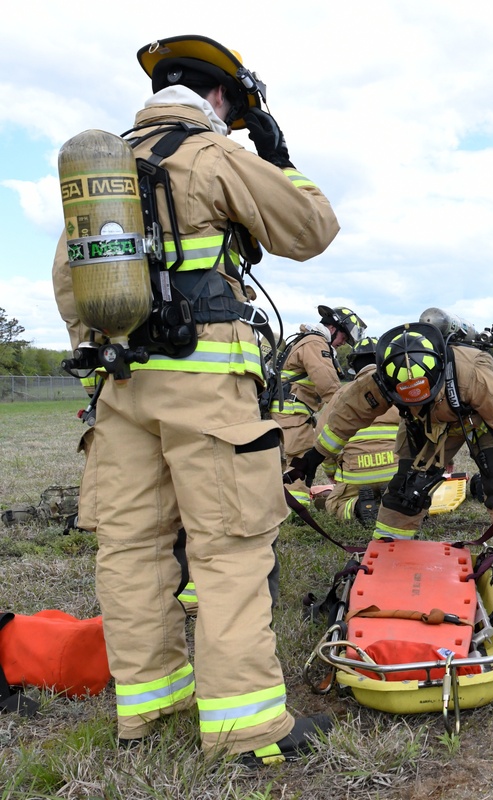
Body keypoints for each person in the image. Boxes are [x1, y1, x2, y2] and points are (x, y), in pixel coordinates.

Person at [51, 34, 339, 764]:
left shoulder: (101, 174)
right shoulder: (212, 155)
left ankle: (146, 712)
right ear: (220, 100)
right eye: (237, 114)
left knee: (132, 551)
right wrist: (276, 155)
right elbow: (312, 229)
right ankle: (244, 731)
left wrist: (104, 379)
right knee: (229, 552)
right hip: (206, 391)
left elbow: (67, 284)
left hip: (120, 393)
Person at [289, 319, 493, 593]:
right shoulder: (382, 378)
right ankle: (386, 554)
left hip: (478, 418)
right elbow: (346, 415)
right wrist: (315, 456)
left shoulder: (472, 371)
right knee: (406, 490)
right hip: (423, 423)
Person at [270, 305, 365, 507]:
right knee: (300, 460)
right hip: (292, 413)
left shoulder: (307, 340)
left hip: (285, 412)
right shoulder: (315, 343)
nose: (343, 343)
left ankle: (279, 505)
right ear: (332, 328)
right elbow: (329, 386)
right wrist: (352, 412)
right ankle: (296, 511)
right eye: (343, 338)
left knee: (282, 462)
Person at [310, 336, 401, 524]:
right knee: (410, 493)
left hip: (355, 475)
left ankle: (358, 507)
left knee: (334, 503)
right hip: (396, 470)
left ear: (354, 366)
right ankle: (397, 501)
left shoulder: (342, 394)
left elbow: (322, 439)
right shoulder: (398, 390)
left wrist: (331, 473)